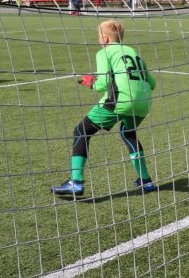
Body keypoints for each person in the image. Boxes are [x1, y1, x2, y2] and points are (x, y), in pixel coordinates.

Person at [51, 20, 157, 197]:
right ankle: (146, 181)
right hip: (144, 102)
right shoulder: (133, 52)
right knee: (128, 133)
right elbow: (152, 83)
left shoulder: (104, 52)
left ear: (105, 39)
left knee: (81, 131)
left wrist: (91, 83)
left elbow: (103, 84)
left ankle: (76, 182)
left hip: (122, 100)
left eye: (99, 35)